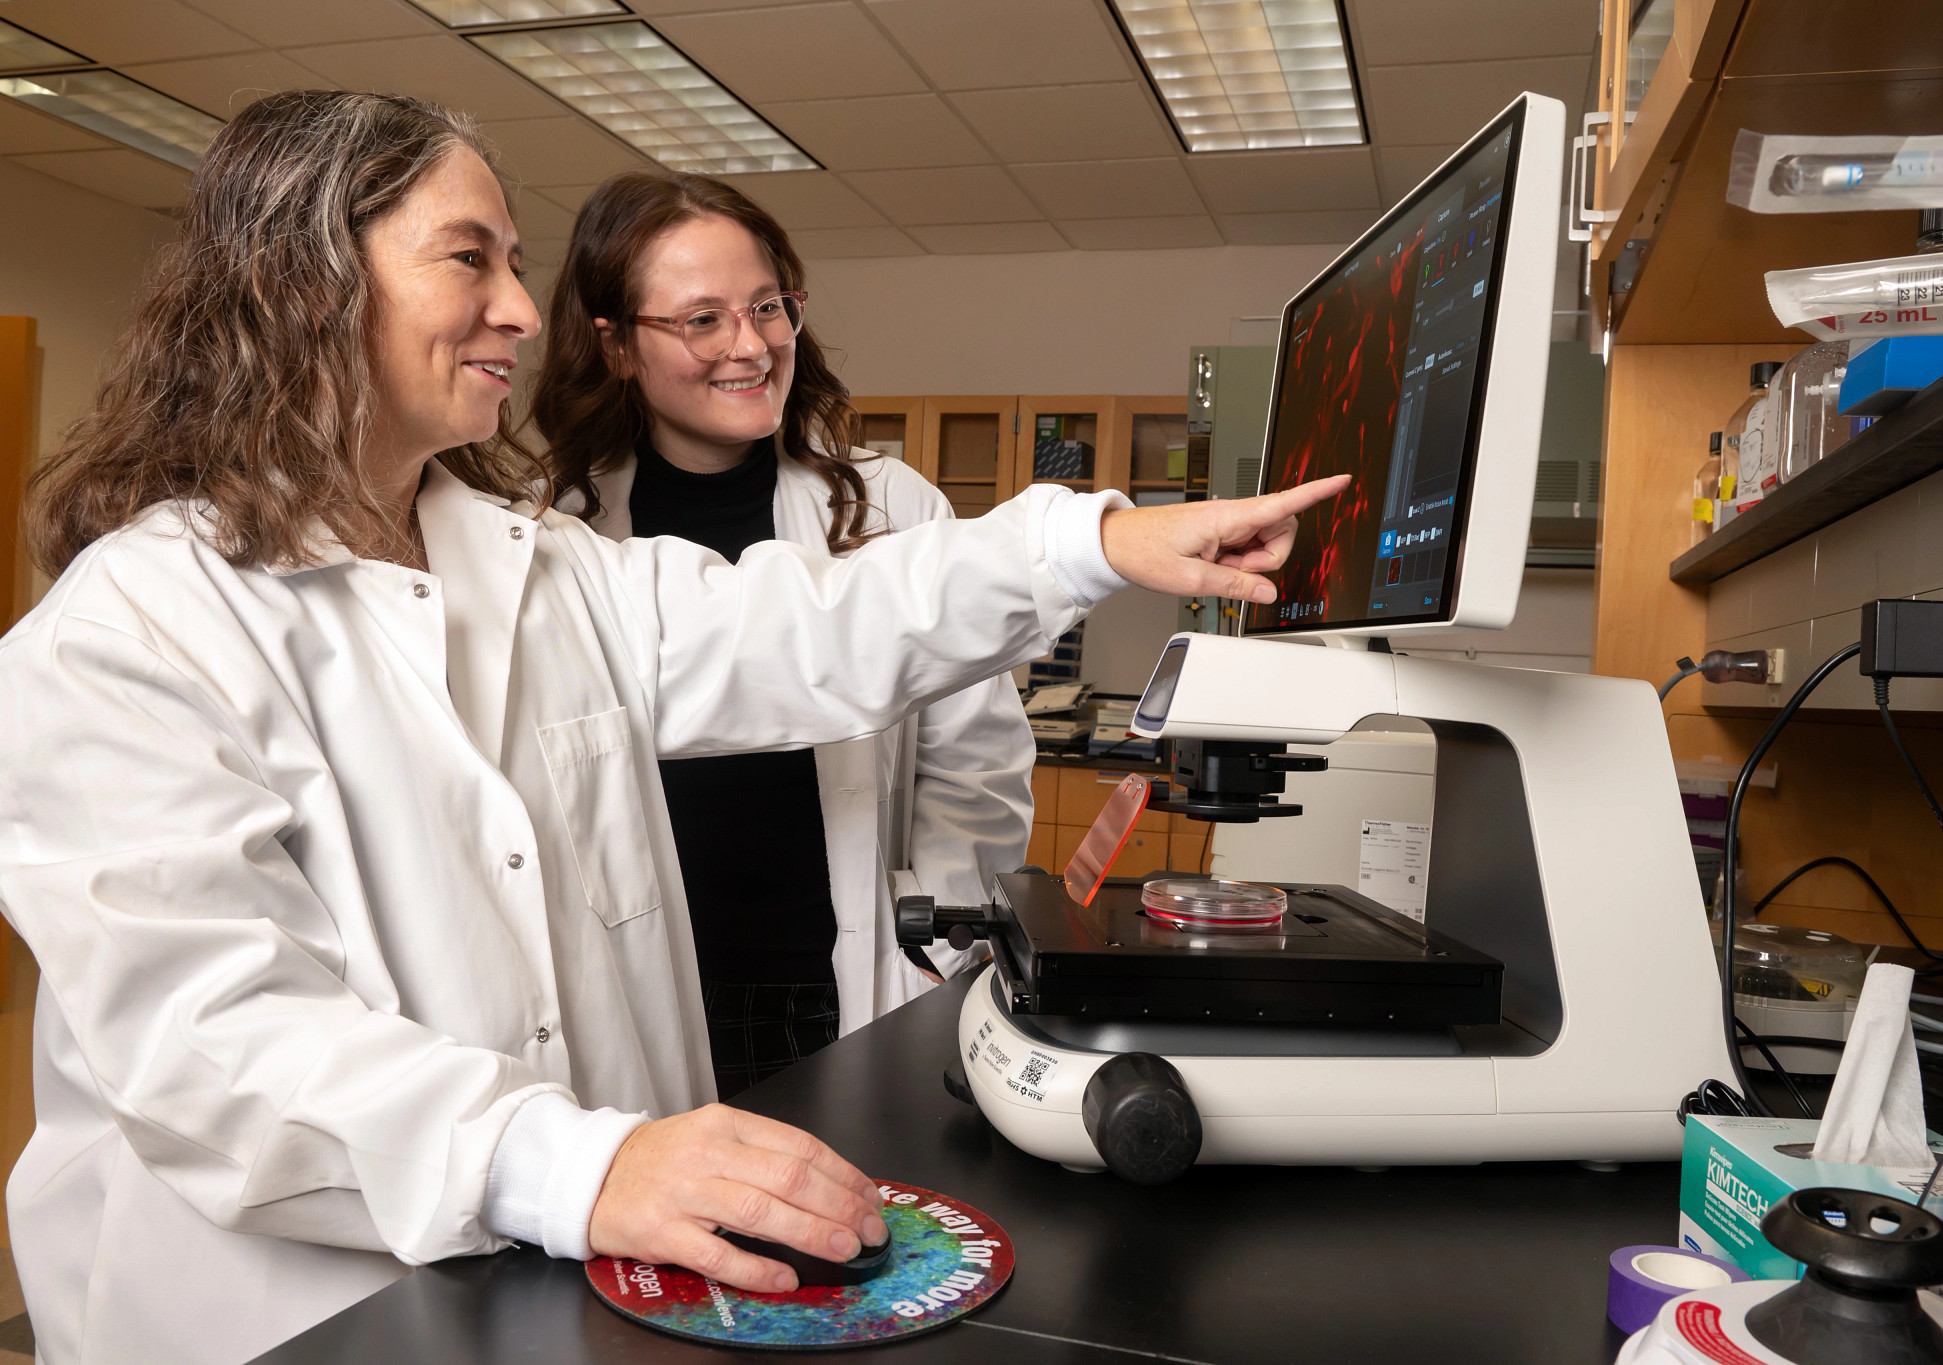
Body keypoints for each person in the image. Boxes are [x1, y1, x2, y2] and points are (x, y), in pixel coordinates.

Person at [0, 91, 1343, 1365]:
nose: (519, 311)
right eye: (469, 259)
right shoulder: (133, 632)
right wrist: (577, 1162)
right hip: (285, 1316)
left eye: (516, 264)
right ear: (304, 286)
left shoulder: (541, 569)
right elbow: (215, 1042)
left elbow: (816, 624)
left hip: (555, 1287)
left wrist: (1090, 541)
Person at [529, 171, 1032, 1098]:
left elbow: (976, 765)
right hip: (638, 987)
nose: (751, 345)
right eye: (703, 319)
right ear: (615, 346)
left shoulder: (890, 508)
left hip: (835, 984)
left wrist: (940, 945)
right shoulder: (553, 533)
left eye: (769, 306)